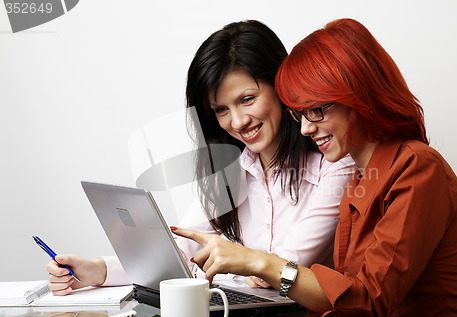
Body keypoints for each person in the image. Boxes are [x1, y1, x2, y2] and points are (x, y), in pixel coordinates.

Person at [172, 18, 457, 317]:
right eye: (299, 113)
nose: (305, 128)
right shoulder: (361, 176)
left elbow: (367, 303)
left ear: (358, 96)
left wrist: (260, 263)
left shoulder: (417, 167)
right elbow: (345, 300)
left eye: (316, 110)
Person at [46, 20, 355, 295]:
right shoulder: (233, 171)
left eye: (247, 100)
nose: (237, 121)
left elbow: (281, 267)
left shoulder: (334, 164)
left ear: (280, 85)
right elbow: (183, 249)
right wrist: (97, 270)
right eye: (221, 109)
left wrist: (234, 259)